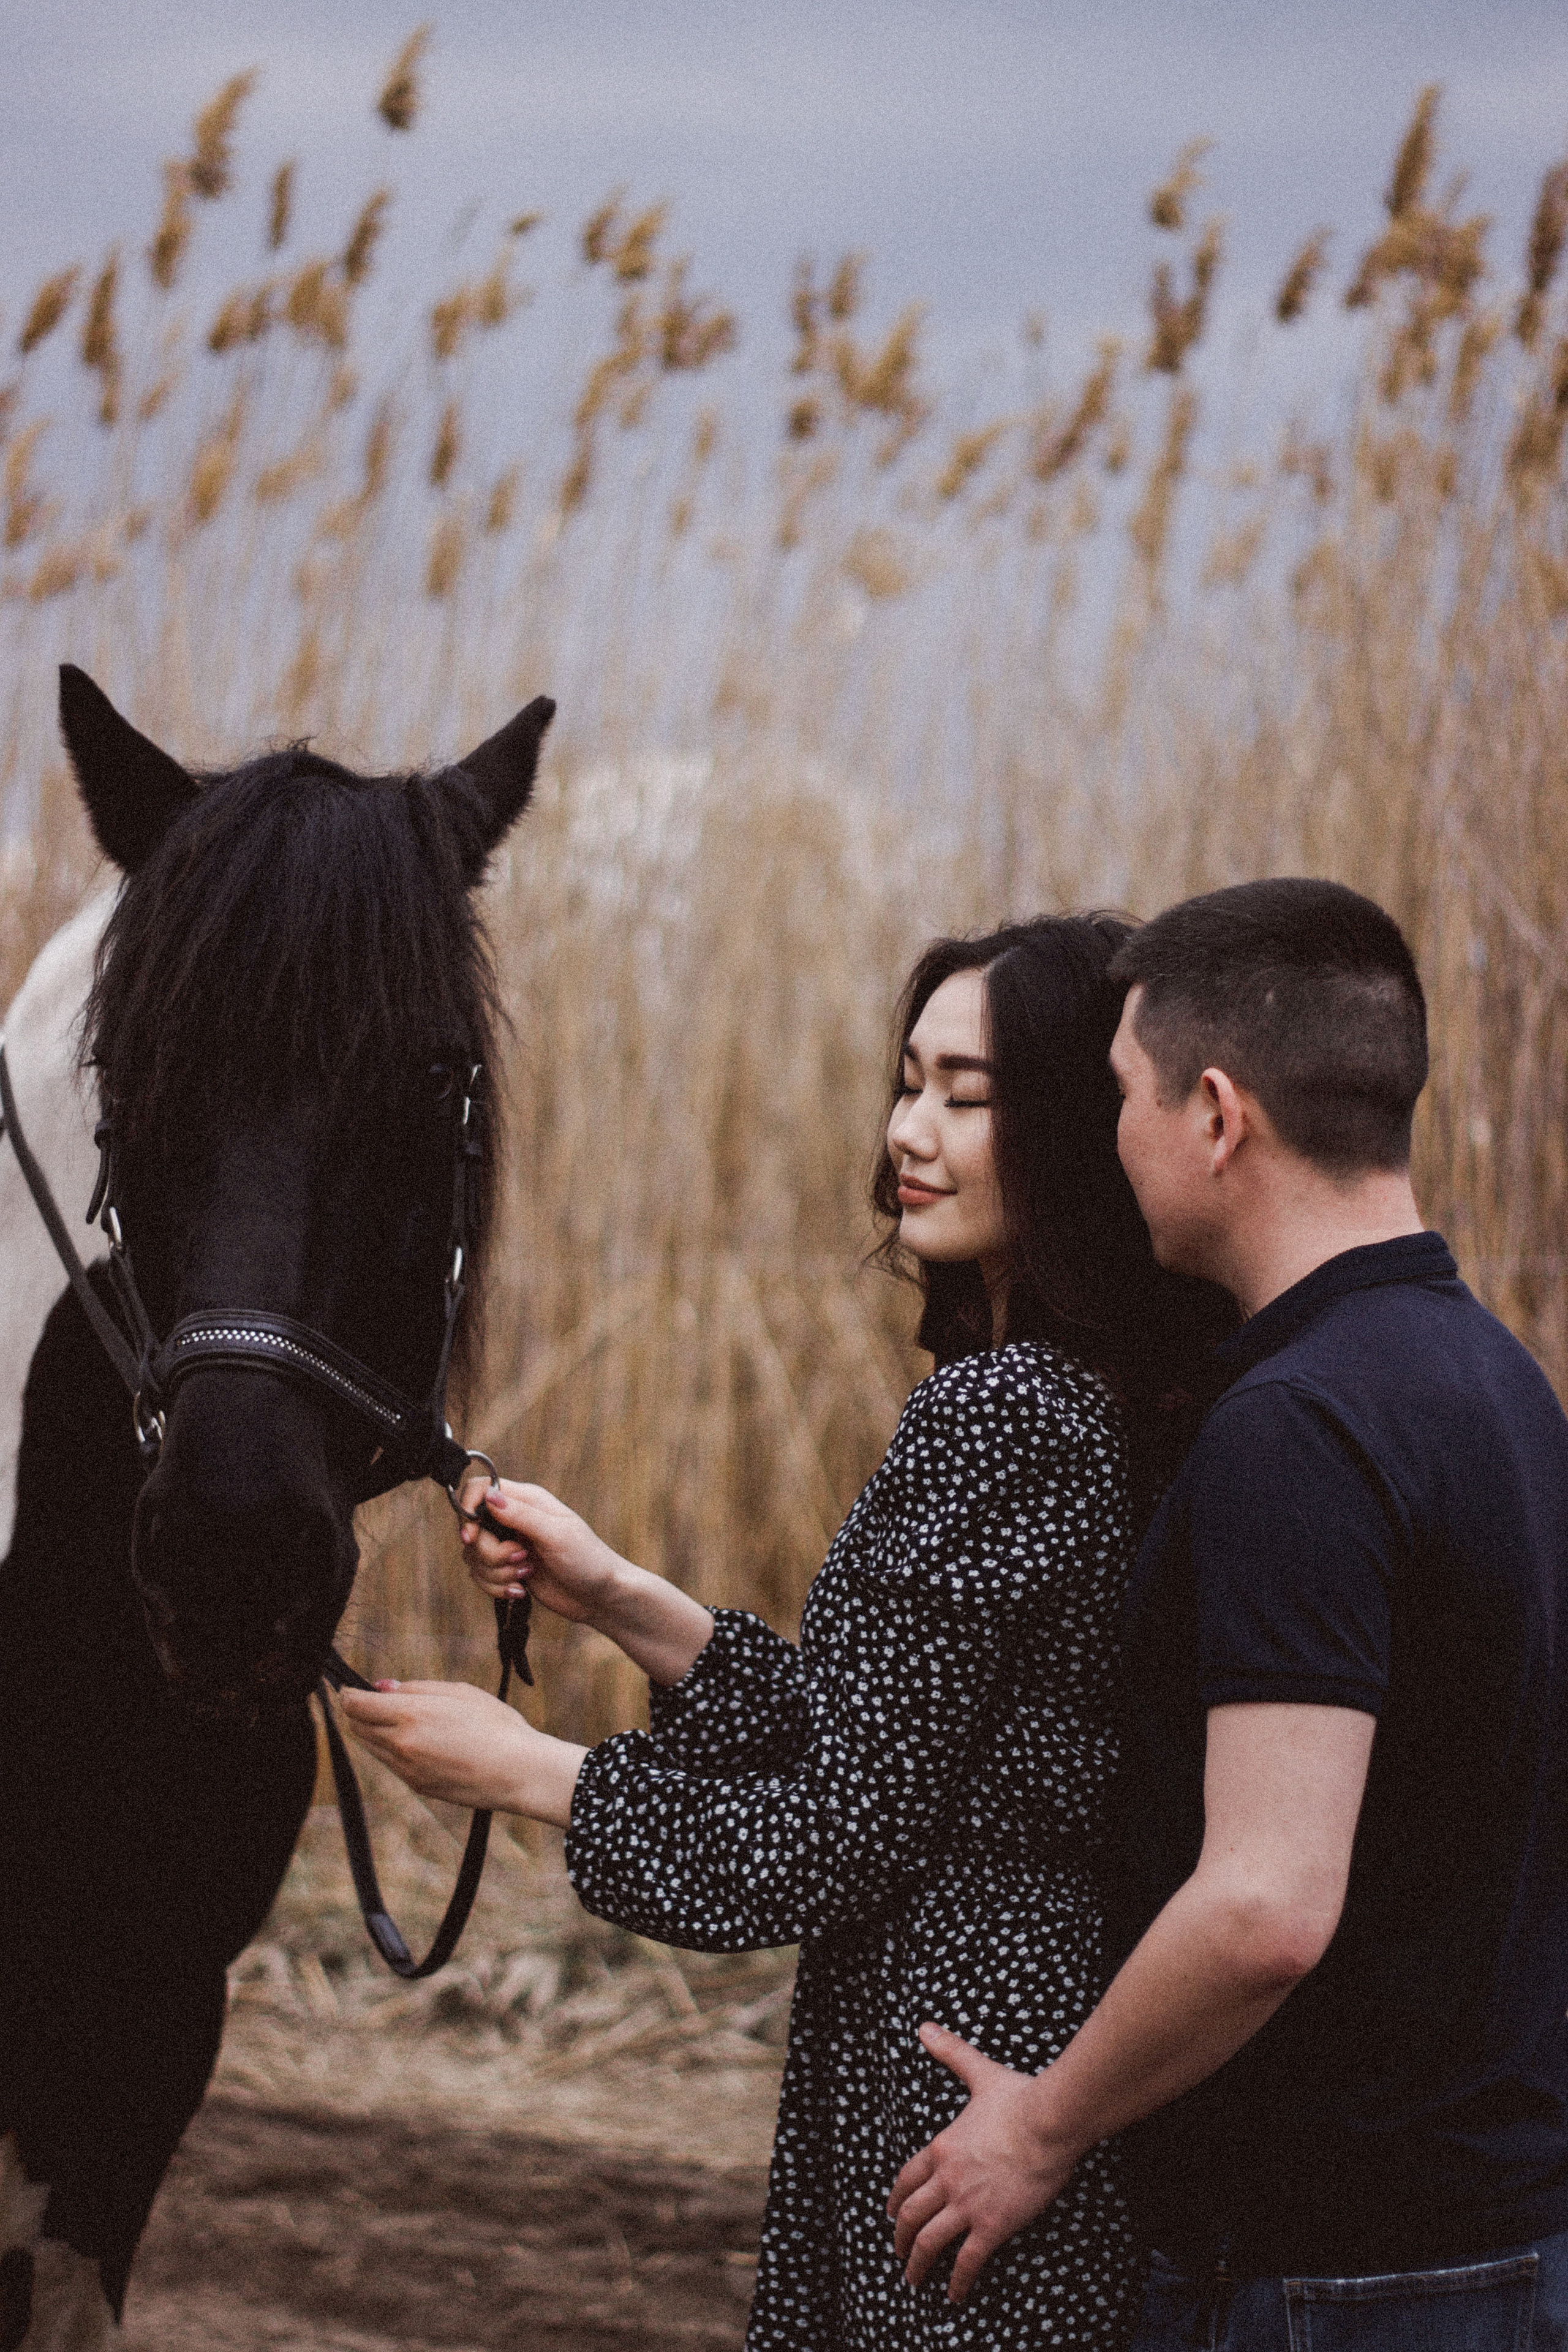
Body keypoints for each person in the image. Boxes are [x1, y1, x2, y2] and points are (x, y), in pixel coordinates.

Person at [341, 913, 1229, 2352]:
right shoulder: (1081, 1394)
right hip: (1022, 2042)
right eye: (904, 1082)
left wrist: (524, 1772)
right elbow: (892, 1738)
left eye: (965, 1095)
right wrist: (623, 1596)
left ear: (1069, 1127)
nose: (907, 1132)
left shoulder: (999, 1416)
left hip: (956, 2076)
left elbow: (827, 1839)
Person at [888, 877, 1568, 2350]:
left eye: (1120, 1096)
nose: (1106, 1139)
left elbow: (1264, 1903)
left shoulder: (1294, 1429)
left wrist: (1037, 2131)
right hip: (1494, 2236)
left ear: (1212, 1114)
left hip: (1332, 2268)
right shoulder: (1494, 1383)